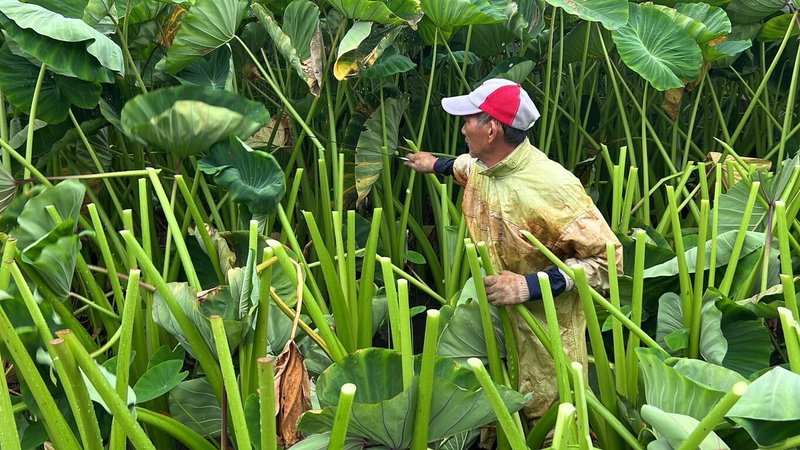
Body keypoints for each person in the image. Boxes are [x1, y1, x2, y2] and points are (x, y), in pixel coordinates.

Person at [404, 78, 623, 424]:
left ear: (491, 130)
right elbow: (464, 166)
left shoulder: (553, 186)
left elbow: (607, 261)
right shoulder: (485, 167)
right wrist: (433, 163)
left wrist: (527, 287)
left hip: (547, 333)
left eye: (468, 120)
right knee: (501, 415)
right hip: (500, 320)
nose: (462, 129)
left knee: (551, 423)